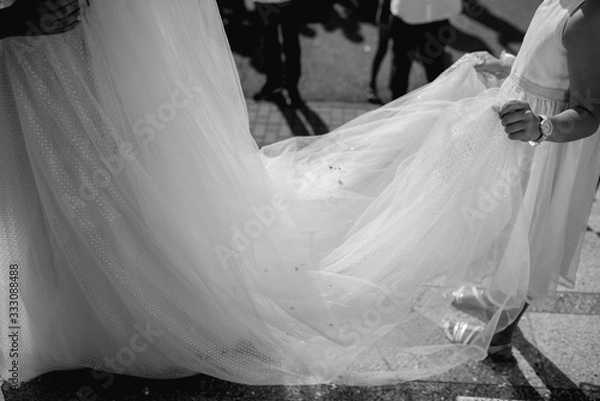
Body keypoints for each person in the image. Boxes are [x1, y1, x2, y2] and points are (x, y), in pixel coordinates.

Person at [1, 0, 599, 388]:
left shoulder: (589, 16)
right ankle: (482, 336)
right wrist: (507, 65)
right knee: (490, 245)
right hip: (513, 126)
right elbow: (549, 65)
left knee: (519, 251)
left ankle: (487, 338)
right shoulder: (564, 3)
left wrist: (542, 126)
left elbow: (590, 107)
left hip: (538, 146)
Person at [389, 0, 462, 99]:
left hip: (438, 17)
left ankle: (436, 110)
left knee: (436, 73)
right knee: (401, 71)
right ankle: (395, 110)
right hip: (406, 18)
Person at [252, 0, 304, 107]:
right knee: (270, 44)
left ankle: (290, 86)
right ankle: (275, 82)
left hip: (286, 3)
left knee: (289, 44)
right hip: (265, 3)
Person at [367, 0, 392, 104]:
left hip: (400, 15)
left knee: (398, 52)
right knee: (382, 49)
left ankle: (394, 86)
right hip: (387, 13)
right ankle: (372, 85)